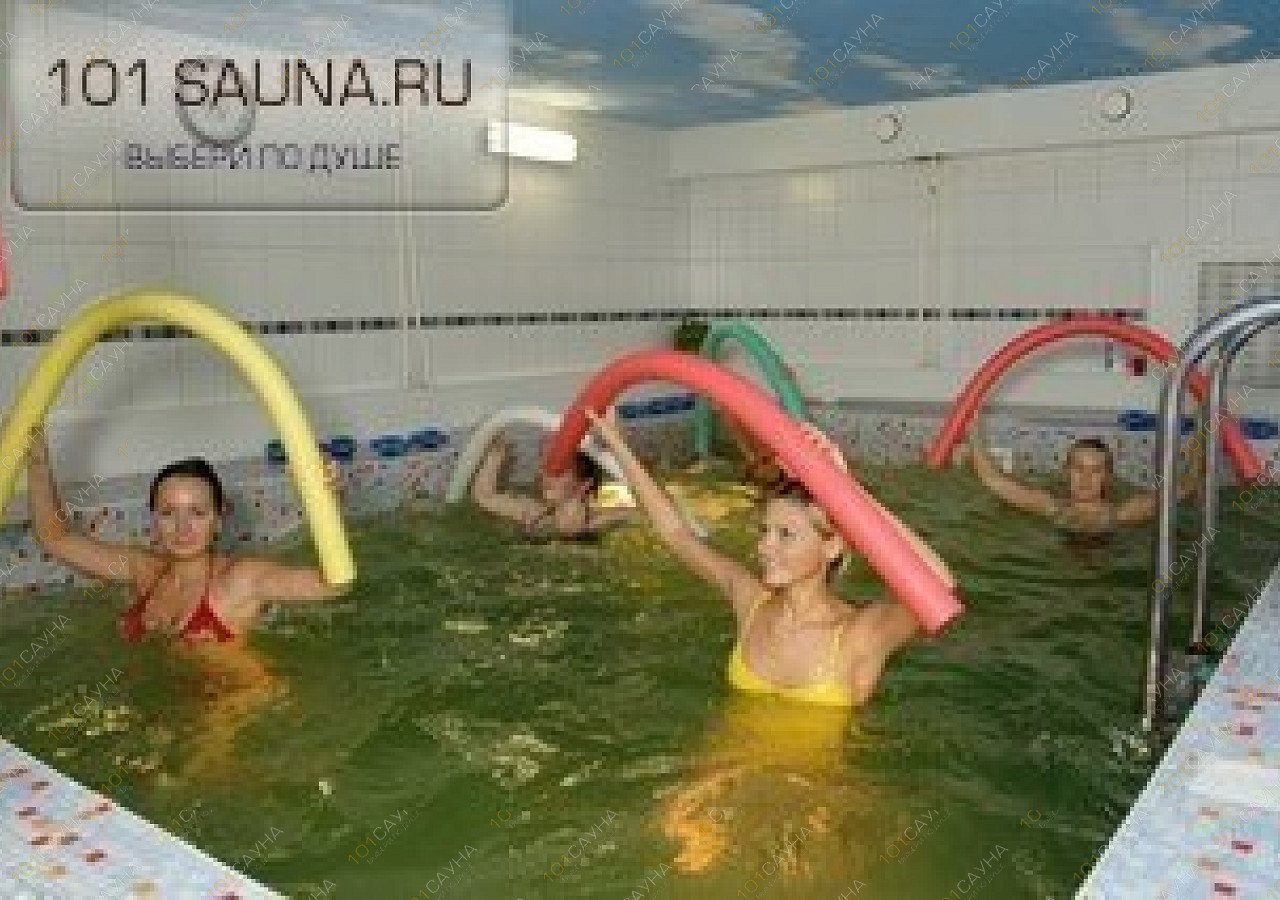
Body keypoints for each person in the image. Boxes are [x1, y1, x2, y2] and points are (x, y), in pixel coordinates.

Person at [586, 408, 955, 707]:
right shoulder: (752, 604)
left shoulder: (859, 636)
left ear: (832, 547)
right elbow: (676, 533)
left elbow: (938, 587)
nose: (764, 546)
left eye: (785, 534)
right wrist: (618, 446)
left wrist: (846, 489)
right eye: (765, 530)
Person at [25, 425, 348, 648]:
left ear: (218, 519)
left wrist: (326, 500)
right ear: (154, 518)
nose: (182, 528)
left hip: (232, 711)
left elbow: (333, 584)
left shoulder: (241, 580)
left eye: (197, 512)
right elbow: (55, 538)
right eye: (168, 513)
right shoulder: (142, 569)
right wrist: (37, 462)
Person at [964, 418, 1201, 533]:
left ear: (1107, 477)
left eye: (1095, 470)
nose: (1086, 478)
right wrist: (972, 431)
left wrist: (1200, 442)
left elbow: (1186, 486)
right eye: (1079, 468)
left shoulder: (1125, 512)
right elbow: (995, 482)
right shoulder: (1050, 507)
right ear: (1066, 472)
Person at [471, 432, 634, 541]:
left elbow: (641, 498)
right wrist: (496, 453)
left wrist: (614, 442)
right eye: (544, 466)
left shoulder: (603, 515)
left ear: (583, 485)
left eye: (559, 469)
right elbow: (484, 497)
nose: (546, 475)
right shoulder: (537, 515)